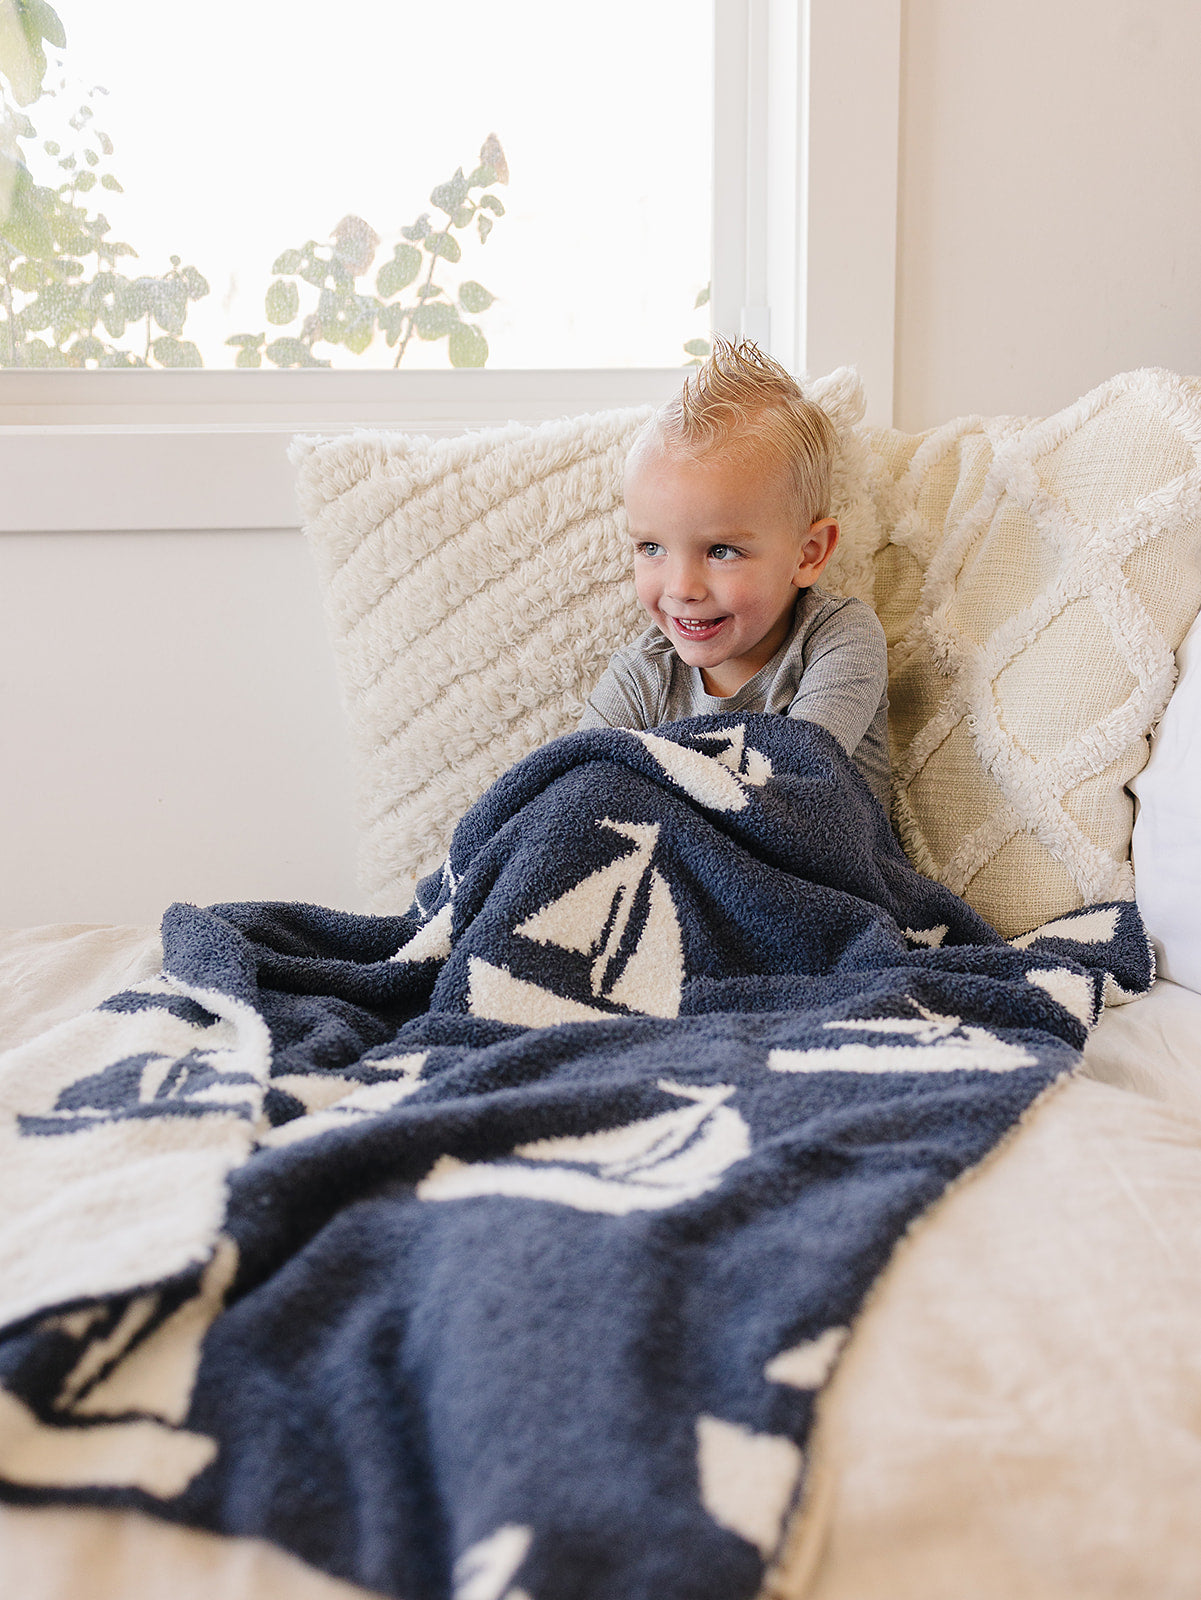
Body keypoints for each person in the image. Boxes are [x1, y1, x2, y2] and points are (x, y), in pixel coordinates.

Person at [579, 338, 891, 812]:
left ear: (807, 554)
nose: (681, 589)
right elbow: (575, 790)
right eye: (652, 548)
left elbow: (792, 789)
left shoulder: (839, 638)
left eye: (721, 551)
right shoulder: (641, 676)